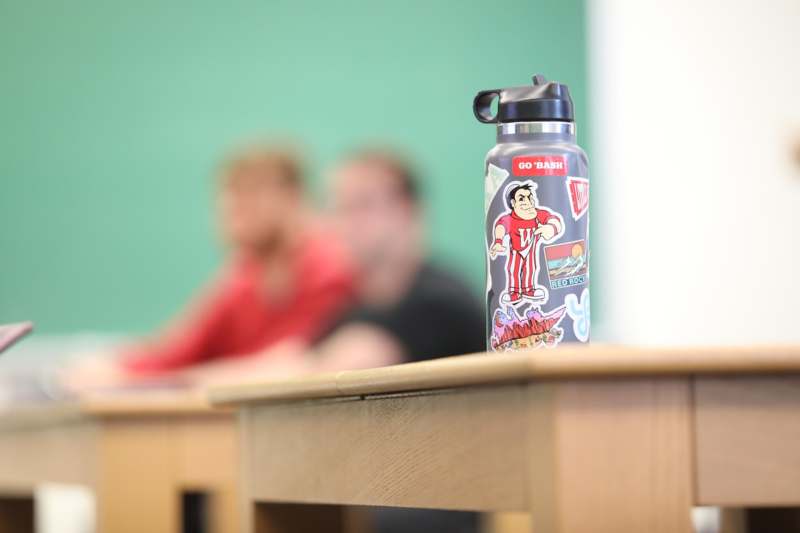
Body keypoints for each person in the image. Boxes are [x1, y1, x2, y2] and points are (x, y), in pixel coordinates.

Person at [63, 144, 354, 391]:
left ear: (294, 199)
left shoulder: (331, 269)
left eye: (250, 194)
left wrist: (145, 381)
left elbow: (293, 365)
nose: (233, 209)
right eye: (229, 195)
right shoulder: (244, 278)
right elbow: (177, 350)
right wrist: (113, 368)